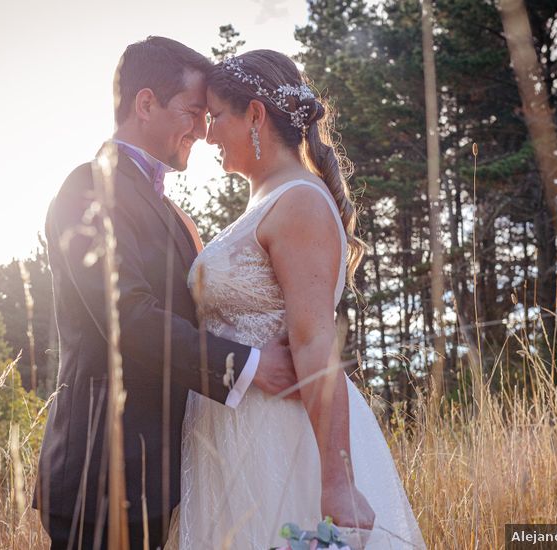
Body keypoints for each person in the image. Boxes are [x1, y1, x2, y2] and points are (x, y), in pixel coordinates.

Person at [33, 37, 298, 550]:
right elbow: (126, 316)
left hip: (158, 475)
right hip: (101, 475)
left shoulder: (172, 213)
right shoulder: (86, 187)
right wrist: (246, 365)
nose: (203, 129)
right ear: (146, 103)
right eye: (194, 111)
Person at [167, 50, 427, 549]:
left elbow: (313, 342)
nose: (208, 132)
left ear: (256, 116)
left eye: (217, 116)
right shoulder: (267, 196)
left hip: (278, 438)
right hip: (232, 434)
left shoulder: (300, 201)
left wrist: (338, 480)